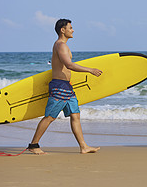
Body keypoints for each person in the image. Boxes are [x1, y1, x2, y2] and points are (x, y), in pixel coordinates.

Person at [27, 19, 102, 155]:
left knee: (75, 115)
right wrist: (90, 70)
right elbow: (69, 65)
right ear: (63, 30)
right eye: (70, 28)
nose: (72, 30)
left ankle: (83, 146)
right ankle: (33, 145)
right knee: (50, 117)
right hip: (59, 87)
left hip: (67, 87)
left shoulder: (63, 46)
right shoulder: (60, 45)